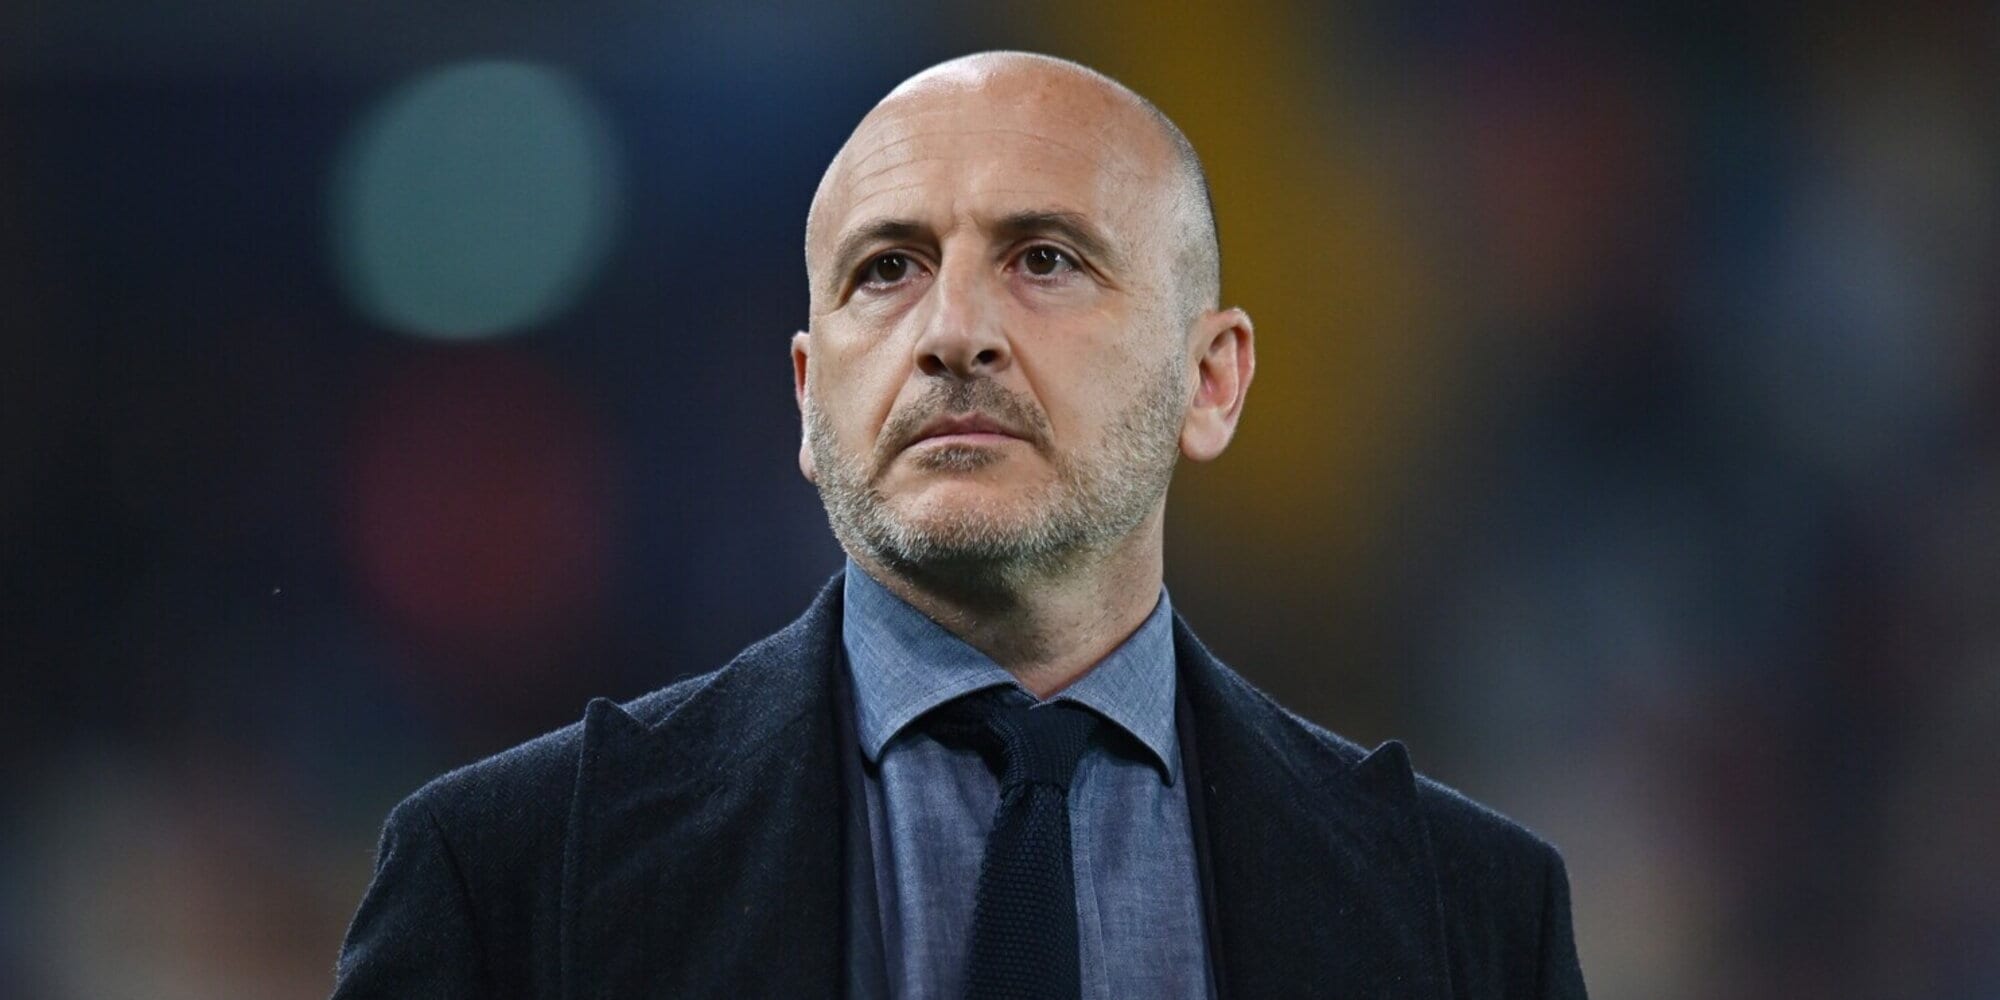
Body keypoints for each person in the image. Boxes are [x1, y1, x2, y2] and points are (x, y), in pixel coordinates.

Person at [330, 51, 1588, 999]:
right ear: (809, 399)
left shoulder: (1473, 914)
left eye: (1043, 259)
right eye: (887, 269)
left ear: (1209, 381)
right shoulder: (502, 878)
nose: (952, 332)